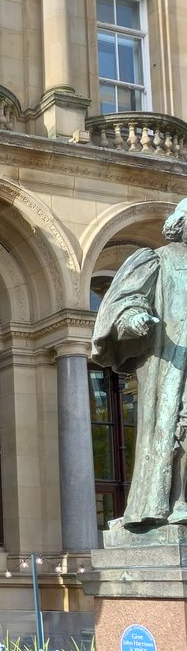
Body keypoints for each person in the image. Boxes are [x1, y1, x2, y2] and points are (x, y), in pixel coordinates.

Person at [92, 197, 187, 527]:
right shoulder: (157, 261)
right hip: (172, 364)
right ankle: (175, 502)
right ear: (181, 225)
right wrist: (132, 318)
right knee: (180, 427)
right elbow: (127, 300)